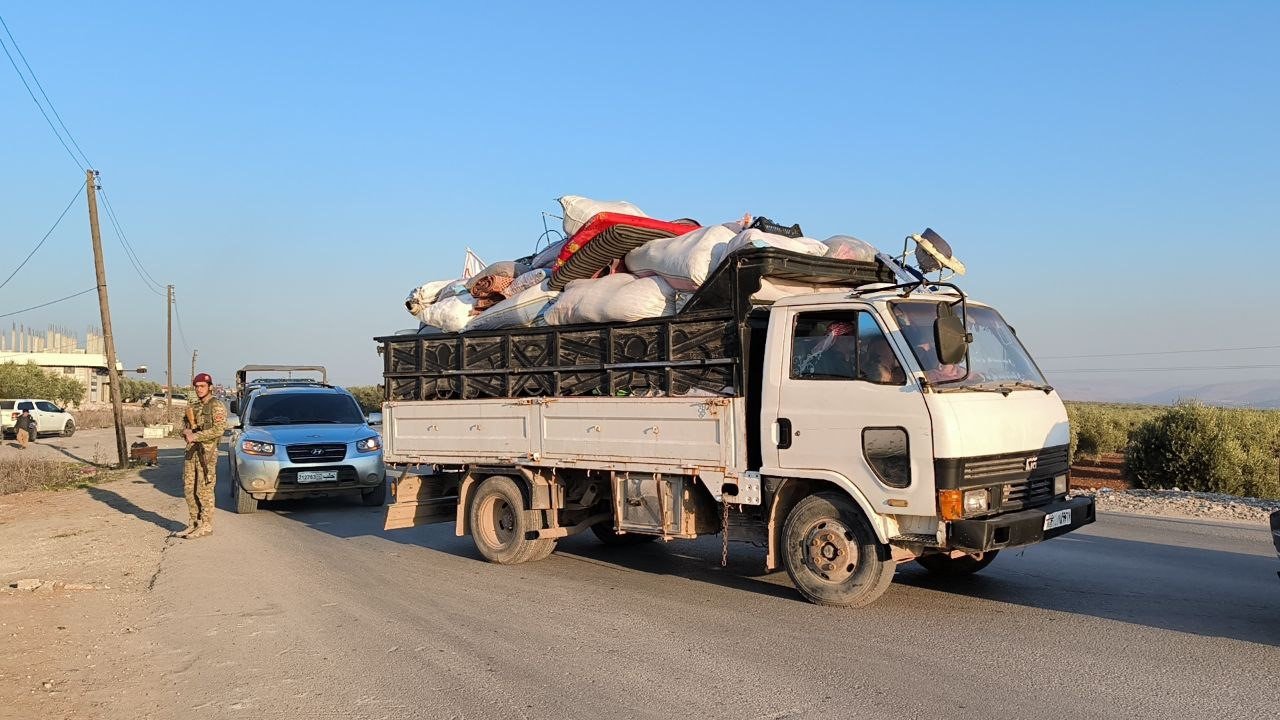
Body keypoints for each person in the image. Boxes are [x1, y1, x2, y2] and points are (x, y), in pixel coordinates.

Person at [180, 372, 228, 539]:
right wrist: (186, 432)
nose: (199, 389)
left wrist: (197, 436)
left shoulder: (217, 406)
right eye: (197, 386)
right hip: (191, 452)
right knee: (189, 489)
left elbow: (219, 429)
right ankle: (193, 523)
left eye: (202, 386)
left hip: (207, 454)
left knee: (204, 490)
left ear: (210, 387)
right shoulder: (193, 407)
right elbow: (184, 427)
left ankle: (206, 525)